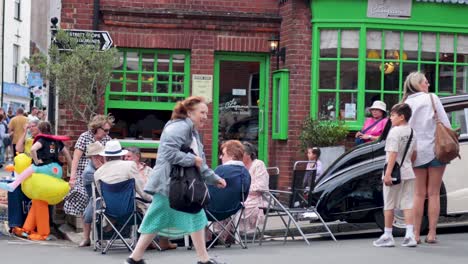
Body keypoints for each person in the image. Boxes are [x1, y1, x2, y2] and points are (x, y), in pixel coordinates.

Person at [126, 96, 227, 264]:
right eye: (202, 112)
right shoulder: (179, 127)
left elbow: (199, 160)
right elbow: (169, 153)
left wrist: (213, 178)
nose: (205, 116)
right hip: (171, 184)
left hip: (175, 184)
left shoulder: (191, 131)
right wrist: (192, 160)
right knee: (186, 216)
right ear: (189, 112)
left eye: (207, 113)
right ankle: (203, 260)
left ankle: (134, 258)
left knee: (188, 216)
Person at [403, 71, 451, 244]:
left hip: (415, 152)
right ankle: (431, 233)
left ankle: (416, 234)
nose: (428, 84)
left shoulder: (406, 103)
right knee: (433, 193)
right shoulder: (431, 98)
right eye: (425, 82)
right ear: (418, 84)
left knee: (418, 194)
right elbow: (445, 123)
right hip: (436, 150)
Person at [373, 103, 417, 248]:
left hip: (394, 173)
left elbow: (393, 153)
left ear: (401, 117)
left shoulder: (394, 132)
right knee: (408, 203)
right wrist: (407, 165)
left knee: (389, 204)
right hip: (408, 171)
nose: (390, 118)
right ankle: (410, 235)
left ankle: (388, 235)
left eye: (393, 115)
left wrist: (388, 173)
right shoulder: (412, 132)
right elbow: (414, 154)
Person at [124, 146, 177, 251]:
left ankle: (162, 240)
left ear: (137, 157)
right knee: (158, 207)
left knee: (165, 203)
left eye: (128, 156)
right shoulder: (127, 171)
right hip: (138, 200)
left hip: (153, 196)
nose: (125, 159)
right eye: (124, 157)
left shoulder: (149, 170)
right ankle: (157, 241)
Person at [64, 114, 113, 217]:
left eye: (108, 130)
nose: (107, 133)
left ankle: (95, 224)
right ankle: (87, 224)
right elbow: (76, 159)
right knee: (83, 196)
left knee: (99, 200)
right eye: (105, 130)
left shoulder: (107, 140)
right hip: (83, 174)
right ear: (97, 128)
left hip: (101, 175)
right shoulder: (85, 137)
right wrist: (72, 178)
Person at [209, 140, 251, 244]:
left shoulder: (219, 170)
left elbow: (207, 192)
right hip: (233, 209)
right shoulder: (245, 172)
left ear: (232, 155)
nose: (220, 157)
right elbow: (243, 197)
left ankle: (204, 239)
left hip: (211, 210)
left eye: (222, 154)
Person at [79, 141, 105, 247]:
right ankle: (86, 238)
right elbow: (104, 182)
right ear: (92, 157)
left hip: (107, 194)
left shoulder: (104, 163)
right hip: (96, 196)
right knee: (88, 214)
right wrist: (103, 168)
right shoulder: (88, 172)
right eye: (97, 156)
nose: (101, 158)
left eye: (101, 155)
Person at [240, 141, 269, 233]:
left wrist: (242, 189)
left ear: (247, 155)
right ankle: (223, 234)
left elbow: (261, 186)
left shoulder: (258, 164)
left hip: (258, 199)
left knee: (241, 207)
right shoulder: (239, 167)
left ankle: (237, 232)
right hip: (242, 197)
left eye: (240, 154)